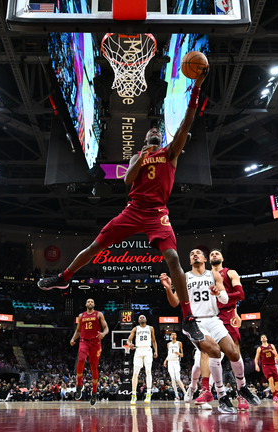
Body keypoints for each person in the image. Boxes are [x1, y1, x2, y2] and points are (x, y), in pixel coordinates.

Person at [38, 69, 210, 345]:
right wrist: (140, 157)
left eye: (157, 130)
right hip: (133, 210)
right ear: (145, 140)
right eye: (150, 131)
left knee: (175, 259)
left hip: (157, 214)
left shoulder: (170, 153)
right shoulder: (137, 157)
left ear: (161, 138)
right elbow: (128, 180)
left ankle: (188, 317)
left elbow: (187, 123)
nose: (154, 130)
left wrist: (197, 87)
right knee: (95, 247)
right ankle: (64, 276)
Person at [161, 249, 261, 414]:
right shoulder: (184, 277)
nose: (194, 254)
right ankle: (222, 396)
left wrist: (218, 294)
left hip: (214, 319)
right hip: (195, 322)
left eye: (198, 252)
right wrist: (167, 289)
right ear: (189, 260)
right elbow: (174, 303)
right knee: (214, 350)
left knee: (234, 353)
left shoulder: (214, 275)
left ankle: (242, 387)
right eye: (191, 253)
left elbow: (225, 299)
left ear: (205, 259)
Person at [209, 248, 254, 410]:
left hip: (228, 314)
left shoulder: (230, 273)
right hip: (210, 316)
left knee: (235, 353)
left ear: (222, 257)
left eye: (217, 253)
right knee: (212, 355)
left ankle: (241, 393)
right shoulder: (206, 276)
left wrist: (226, 300)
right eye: (211, 254)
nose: (214, 255)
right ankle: (211, 392)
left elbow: (240, 294)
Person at [70, 298, 109, 406]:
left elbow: (106, 328)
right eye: (88, 301)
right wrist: (73, 339)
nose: (90, 303)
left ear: (94, 304)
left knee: (93, 366)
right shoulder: (81, 316)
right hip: (84, 341)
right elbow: (78, 330)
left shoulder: (99, 314)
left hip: (95, 343)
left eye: (92, 301)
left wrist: (103, 334)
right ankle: (79, 385)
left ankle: (95, 392)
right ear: (85, 304)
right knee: (81, 359)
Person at [127, 315, 158, 405]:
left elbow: (154, 341)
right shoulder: (135, 329)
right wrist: (130, 344)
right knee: (135, 373)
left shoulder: (150, 328)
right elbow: (129, 340)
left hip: (148, 350)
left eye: (143, 317)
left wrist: (156, 351)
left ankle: (148, 393)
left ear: (146, 319)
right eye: (140, 317)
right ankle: (133, 394)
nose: (142, 318)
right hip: (138, 350)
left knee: (148, 371)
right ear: (138, 320)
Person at [255, 334, 278, 403]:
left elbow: (276, 354)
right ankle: (274, 395)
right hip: (265, 365)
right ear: (261, 340)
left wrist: (276, 357)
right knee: (270, 379)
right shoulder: (259, 348)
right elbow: (256, 358)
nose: (263, 338)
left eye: (264, 337)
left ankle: (276, 393)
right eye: (262, 337)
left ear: (266, 339)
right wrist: (256, 365)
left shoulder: (272, 346)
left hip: (273, 365)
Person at [163, 332, 186, 404]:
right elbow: (169, 354)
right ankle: (176, 395)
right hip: (170, 362)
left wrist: (178, 354)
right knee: (172, 378)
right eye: (172, 335)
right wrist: (165, 360)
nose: (173, 336)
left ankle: (185, 392)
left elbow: (182, 355)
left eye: (174, 335)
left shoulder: (179, 343)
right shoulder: (168, 344)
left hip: (176, 362)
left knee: (178, 379)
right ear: (170, 336)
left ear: (176, 336)